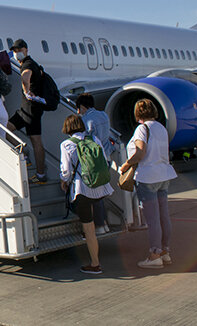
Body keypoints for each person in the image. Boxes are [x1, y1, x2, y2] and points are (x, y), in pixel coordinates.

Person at [118, 99, 177, 269]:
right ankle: (165, 251)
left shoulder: (142, 129)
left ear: (138, 113)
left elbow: (140, 152)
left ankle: (154, 254)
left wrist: (126, 165)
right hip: (163, 174)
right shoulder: (161, 128)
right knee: (164, 215)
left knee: (152, 219)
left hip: (147, 176)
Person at [59, 114, 114, 274]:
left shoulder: (67, 144)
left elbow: (66, 171)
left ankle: (95, 263)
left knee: (88, 229)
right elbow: (104, 160)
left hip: (82, 188)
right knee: (93, 217)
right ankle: (101, 225)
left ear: (67, 128)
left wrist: (63, 180)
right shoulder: (94, 140)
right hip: (99, 187)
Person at [7, 39, 47, 183]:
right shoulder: (31, 64)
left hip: (31, 110)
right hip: (27, 109)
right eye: (15, 51)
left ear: (26, 49)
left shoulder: (28, 64)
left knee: (35, 141)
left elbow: (25, 78)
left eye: (19, 50)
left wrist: (26, 90)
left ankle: (40, 174)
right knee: (7, 129)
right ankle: (25, 154)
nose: (17, 53)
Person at [76, 93, 113, 235]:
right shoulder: (103, 115)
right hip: (107, 157)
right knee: (101, 192)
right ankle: (103, 223)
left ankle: (99, 225)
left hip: (95, 160)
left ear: (82, 107)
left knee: (93, 194)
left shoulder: (86, 120)